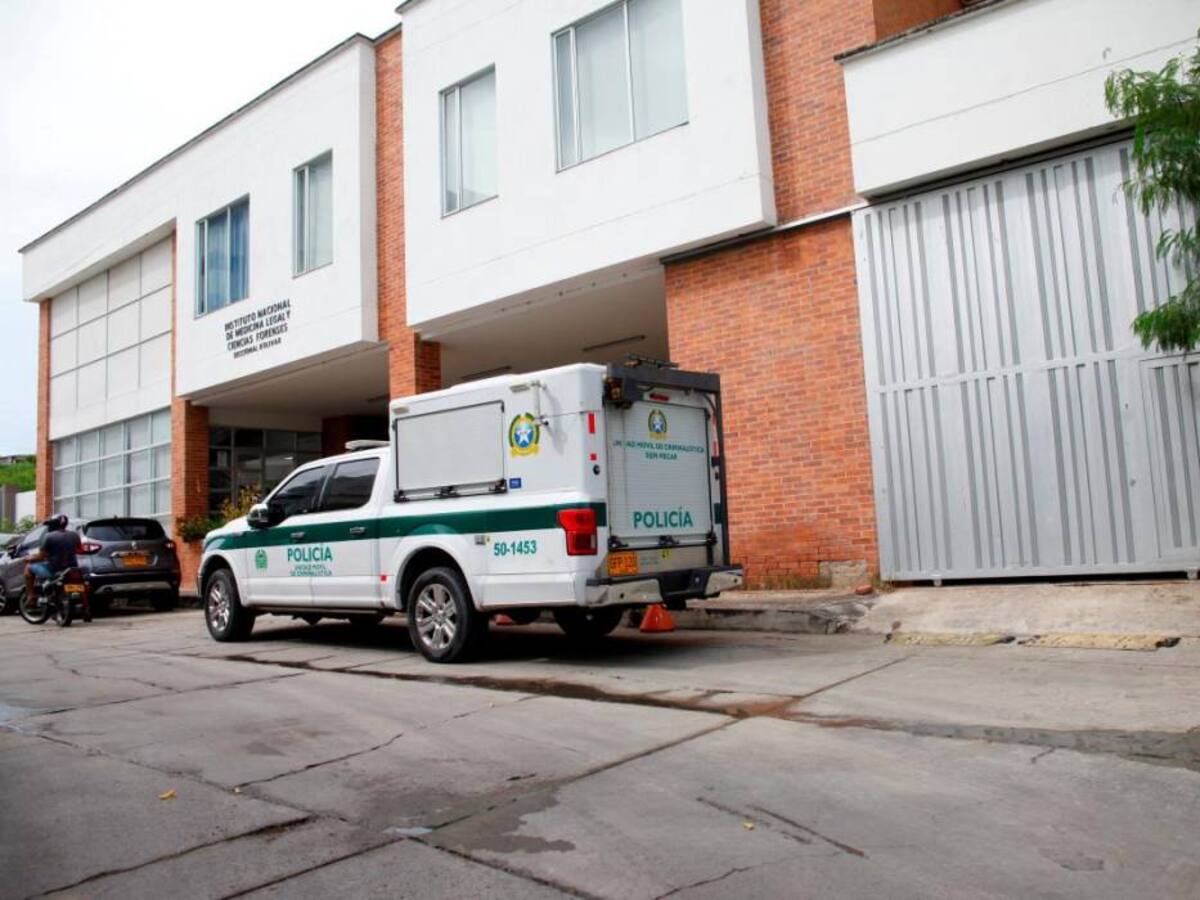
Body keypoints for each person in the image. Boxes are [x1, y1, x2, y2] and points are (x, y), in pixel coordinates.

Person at [25, 514, 90, 622]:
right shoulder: (74, 535)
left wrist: (29, 558)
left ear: (53, 525)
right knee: (79, 584)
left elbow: (41, 556)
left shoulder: (48, 536)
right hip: (72, 568)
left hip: (53, 569)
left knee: (28, 568)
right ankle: (86, 609)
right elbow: (80, 550)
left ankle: (31, 596)